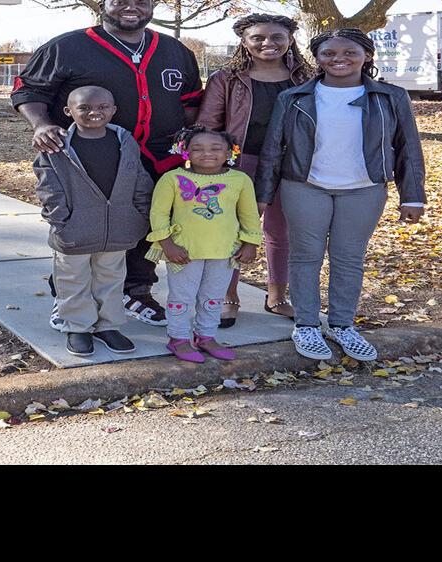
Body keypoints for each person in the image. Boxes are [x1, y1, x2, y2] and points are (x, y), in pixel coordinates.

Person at [12, 0, 202, 328]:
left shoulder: (174, 50)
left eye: (141, 1)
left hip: (159, 155)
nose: (131, 7)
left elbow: (189, 102)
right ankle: (70, 297)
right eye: (120, 0)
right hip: (93, 156)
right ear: (104, 5)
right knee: (84, 228)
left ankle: (136, 291)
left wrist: (191, 142)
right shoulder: (67, 47)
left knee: (150, 226)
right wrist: (41, 124)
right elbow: (28, 90)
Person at [256, 28, 427, 362]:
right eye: (328, 54)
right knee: (306, 255)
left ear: (367, 55)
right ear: (317, 58)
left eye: (349, 52)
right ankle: (306, 324)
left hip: (364, 189)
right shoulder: (294, 97)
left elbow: (409, 146)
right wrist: (263, 194)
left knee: (349, 258)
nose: (339, 60)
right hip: (304, 186)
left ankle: (342, 324)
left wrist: (413, 196)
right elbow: (273, 149)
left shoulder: (391, 96)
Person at [196, 13, 317, 328]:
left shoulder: (305, 77)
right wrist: (213, 164)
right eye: (258, 37)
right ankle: (228, 295)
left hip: (290, 163)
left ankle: (277, 296)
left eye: (277, 37)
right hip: (241, 163)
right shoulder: (228, 78)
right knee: (234, 230)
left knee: (280, 231)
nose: (268, 43)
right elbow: (208, 123)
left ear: (290, 40)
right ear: (244, 42)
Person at [33, 86, 154, 357]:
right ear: (68, 111)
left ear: (113, 110)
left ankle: (108, 326)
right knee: (73, 279)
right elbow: (47, 184)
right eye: (84, 108)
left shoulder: (124, 140)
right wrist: (60, 219)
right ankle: (77, 326)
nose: (94, 113)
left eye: (102, 107)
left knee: (111, 278)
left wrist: (139, 215)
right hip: (74, 230)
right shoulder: (57, 145)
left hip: (118, 228)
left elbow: (139, 178)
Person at [146, 127, 262, 363]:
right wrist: (167, 244)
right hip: (184, 252)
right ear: (185, 152)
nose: (207, 153)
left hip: (224, 251)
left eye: (216, 148)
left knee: (214, 296)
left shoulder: (239, 180)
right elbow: (158, 214)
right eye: (197, 148)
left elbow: (249, 215)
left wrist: (250, 243)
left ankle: (206, 336)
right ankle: (178, 338)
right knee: (182, 296)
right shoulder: (173, 179)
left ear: (230, 152)